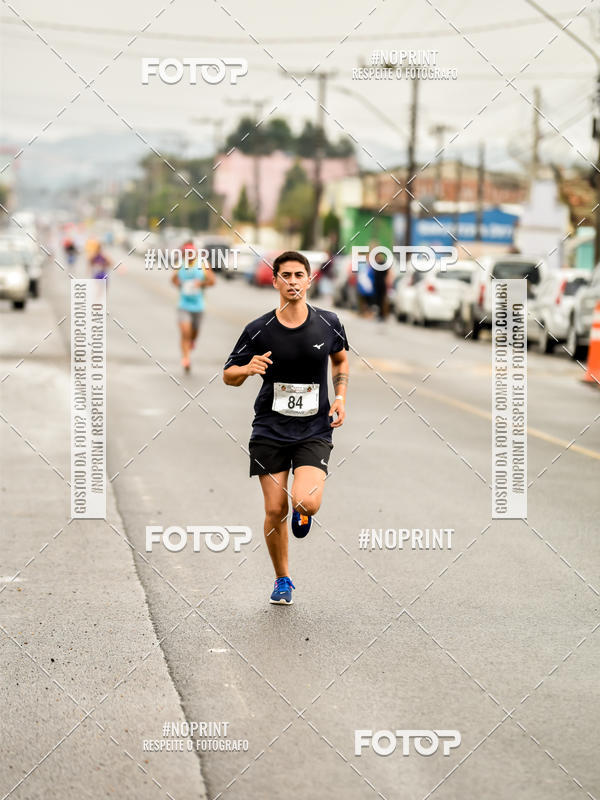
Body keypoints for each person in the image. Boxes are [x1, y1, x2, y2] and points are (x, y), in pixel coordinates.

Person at [223, 250, 349, 606]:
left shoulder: (329, 322)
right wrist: (247, 369)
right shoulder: (258, 329)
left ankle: (303, 511)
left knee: (306, 501)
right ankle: (283, 579)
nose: (293, 281)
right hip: (269, 429)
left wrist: (340, 396)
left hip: (314, 428)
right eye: (286, 276)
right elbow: (227, 375)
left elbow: (340, 358)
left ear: (309, 280)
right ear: (275, 281)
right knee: (275, 509)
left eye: (299, 275)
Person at [171, 241, 215, 372]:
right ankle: (186, 359)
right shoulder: (180, 265)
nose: (189, 256)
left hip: (198, 306)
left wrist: (200, 284)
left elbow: (212, 281)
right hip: (183, 304)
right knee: (185, 332)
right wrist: (179, 283)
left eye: (191, 253)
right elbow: (173, 279)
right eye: (186, 254)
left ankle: (192, 342)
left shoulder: (203, 265)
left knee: (194, 333)